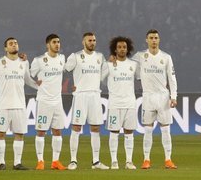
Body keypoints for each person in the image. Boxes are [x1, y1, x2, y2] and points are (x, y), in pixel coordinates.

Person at [0, 37, 38, 170]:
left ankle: (17, 163)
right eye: (11, 44)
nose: (14, 45)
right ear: (6, 48)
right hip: (4, 105)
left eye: (15, 43)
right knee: (1, 133)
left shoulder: (24, 62)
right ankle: (1, 163)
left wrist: (42, 87)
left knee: (19, 134)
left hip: (20, 105)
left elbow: (28, 80)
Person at [64, 32, 110, 170]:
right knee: (77, 127)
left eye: (94, 40)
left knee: (96, 128)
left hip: (95, 95)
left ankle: (96, 161)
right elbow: (65, 69)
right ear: (83, 42)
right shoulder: (75, 56)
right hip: (81, 96)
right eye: (89, 40)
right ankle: (73, 161)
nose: (92, 42)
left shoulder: (100, 57)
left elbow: (104, 75)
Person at [135, 29, 178, 170]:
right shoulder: (140, 56)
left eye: (156, 38)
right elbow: (129, 69)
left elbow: (172, 78)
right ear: (146, 40)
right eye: (151, 38)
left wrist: (173, 96)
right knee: (147, 130)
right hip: (148, 97)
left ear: (159, 40)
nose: (154, 40)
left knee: (166, 130)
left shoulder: (166, 57)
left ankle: (168, 159)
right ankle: (146, 159)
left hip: (163, 97)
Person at [29, 34, 67, 170]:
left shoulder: (62, 59)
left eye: (58, 42)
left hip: (57, 101)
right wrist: (36, 85)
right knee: (41, 131)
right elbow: (28, 76)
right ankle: (40, 161)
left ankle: (55, 161)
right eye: (54, 42)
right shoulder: (39, 60)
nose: (57, 44)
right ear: (48, 45)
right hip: (44, 101)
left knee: (57, 131)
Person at [106, 36, 139, 170]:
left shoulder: (133, 65)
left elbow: (142, 78)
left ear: (128, 49)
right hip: (114, 103)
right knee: (114, 132)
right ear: (115, 49)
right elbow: (96, 77)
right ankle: (114, 161)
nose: (122, 49)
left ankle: (129, 161)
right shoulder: (108, 65)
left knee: (129, 132)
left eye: (124, 47)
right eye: (119, 47)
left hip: (130, 103)